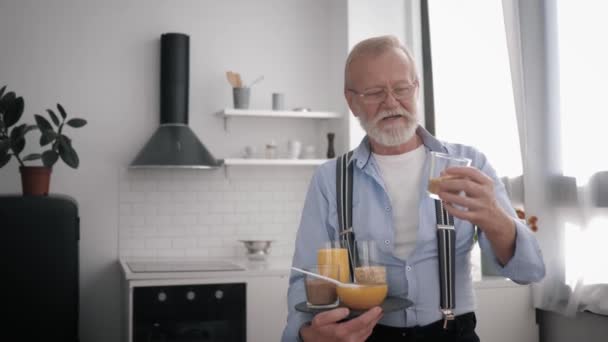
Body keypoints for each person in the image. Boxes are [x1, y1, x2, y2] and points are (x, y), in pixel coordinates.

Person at [281, 35, 545, 342]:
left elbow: (529, 272)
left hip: (453, 334)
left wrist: (496, 220)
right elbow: (307, 276)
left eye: (401, 89)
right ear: (351, 101)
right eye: (375, 92)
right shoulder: (329, 179)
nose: (391, 102)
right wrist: (305, 334)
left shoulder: (469, 163)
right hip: (364, 335)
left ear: (416, 89)